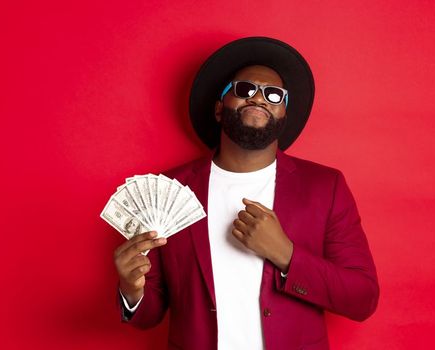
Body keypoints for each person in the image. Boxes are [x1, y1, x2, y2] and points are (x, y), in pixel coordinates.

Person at [111, 37, 379, 349]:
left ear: (283, 117)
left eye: (274, 95)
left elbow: (362, 298)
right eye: (244, 89)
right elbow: (150, 314)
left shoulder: (325, 187)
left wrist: (285, 254)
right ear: (218, 108)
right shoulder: (168, 189)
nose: (259, 99)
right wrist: (132, 290)